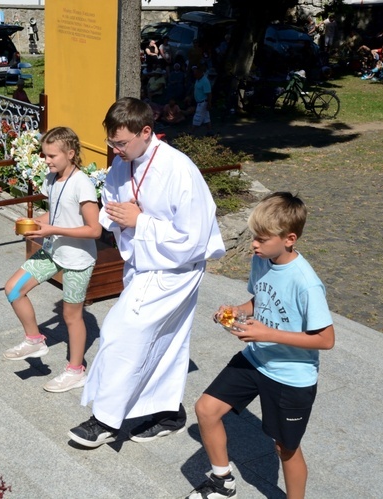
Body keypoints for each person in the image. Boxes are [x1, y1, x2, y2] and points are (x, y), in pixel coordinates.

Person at [67, 97, 225, 448]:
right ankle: (168, 413)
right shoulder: (123, 163)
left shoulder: (178, 169)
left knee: (121, 333)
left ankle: (105, 420)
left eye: (121, 143)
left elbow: (195, 236)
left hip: (174, 269)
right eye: (111, 142)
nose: (115, 150)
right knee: (164, 341)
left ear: (147, 131)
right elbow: (111, 204)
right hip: (141, 265)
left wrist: (142, 221)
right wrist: (119, 217)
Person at [186, 192, 335, 499]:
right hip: (256, 359)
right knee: (206, 409)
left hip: (291, 377)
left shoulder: (306, 282)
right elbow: (260, 298)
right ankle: (222, 482)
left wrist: (268, 334)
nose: (254, 244)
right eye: (254, 236)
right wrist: (237, 311)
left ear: (289, 238)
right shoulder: (262, 260)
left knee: (286, 449)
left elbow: (326, 339)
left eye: (262, 239)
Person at [3, 127, 102, 393]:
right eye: (44, 155)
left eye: (51, 155)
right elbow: (56, 215)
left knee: (72, 316)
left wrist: (52, 229)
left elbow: (94, 230)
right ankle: (34, 339)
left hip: (77, 259)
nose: (46, 160)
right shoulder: (52, 178)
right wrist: (35, 223)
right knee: (13, 289)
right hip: (53, 250)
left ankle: (75, 371)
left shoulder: (83, 184)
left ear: (70, 154)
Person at [191, 64, 212, 133]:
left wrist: (209, 103)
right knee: (206, 118)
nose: (194, 75)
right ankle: (210, 132)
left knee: (196, 118)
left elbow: (209, 93)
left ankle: (191, 132)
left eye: (196, 74)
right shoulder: (197, 80)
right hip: (199, 102)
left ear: (200, 73)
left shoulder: (205, 81)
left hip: (203, 103)